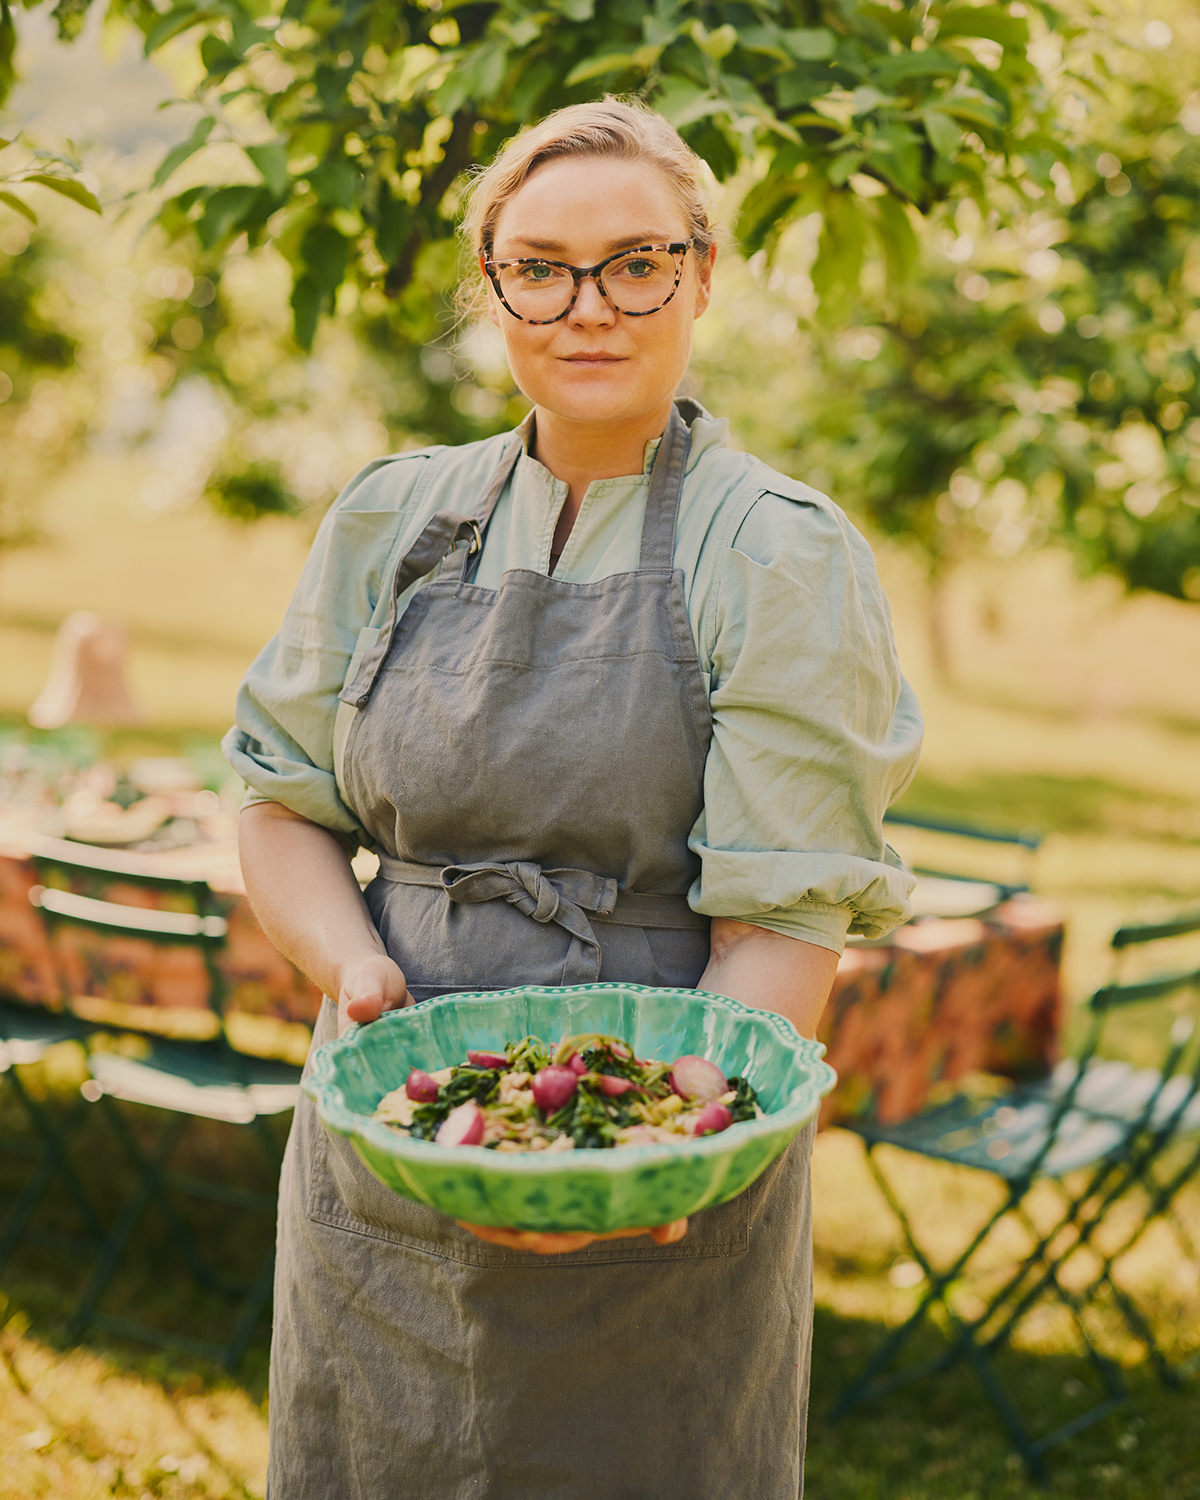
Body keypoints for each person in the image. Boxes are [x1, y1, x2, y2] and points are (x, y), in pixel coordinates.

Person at [224, 97, 923, 1500]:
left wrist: (662, 1148)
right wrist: (357, 971)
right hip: (394, 1115)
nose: (585, 307)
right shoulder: (388, 518)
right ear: (490, 288)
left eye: (635, 263)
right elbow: (278, 799)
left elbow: (784, 918)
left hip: (664, 1118)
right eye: (537, 266)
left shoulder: (773, 551)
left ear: (701, 276)